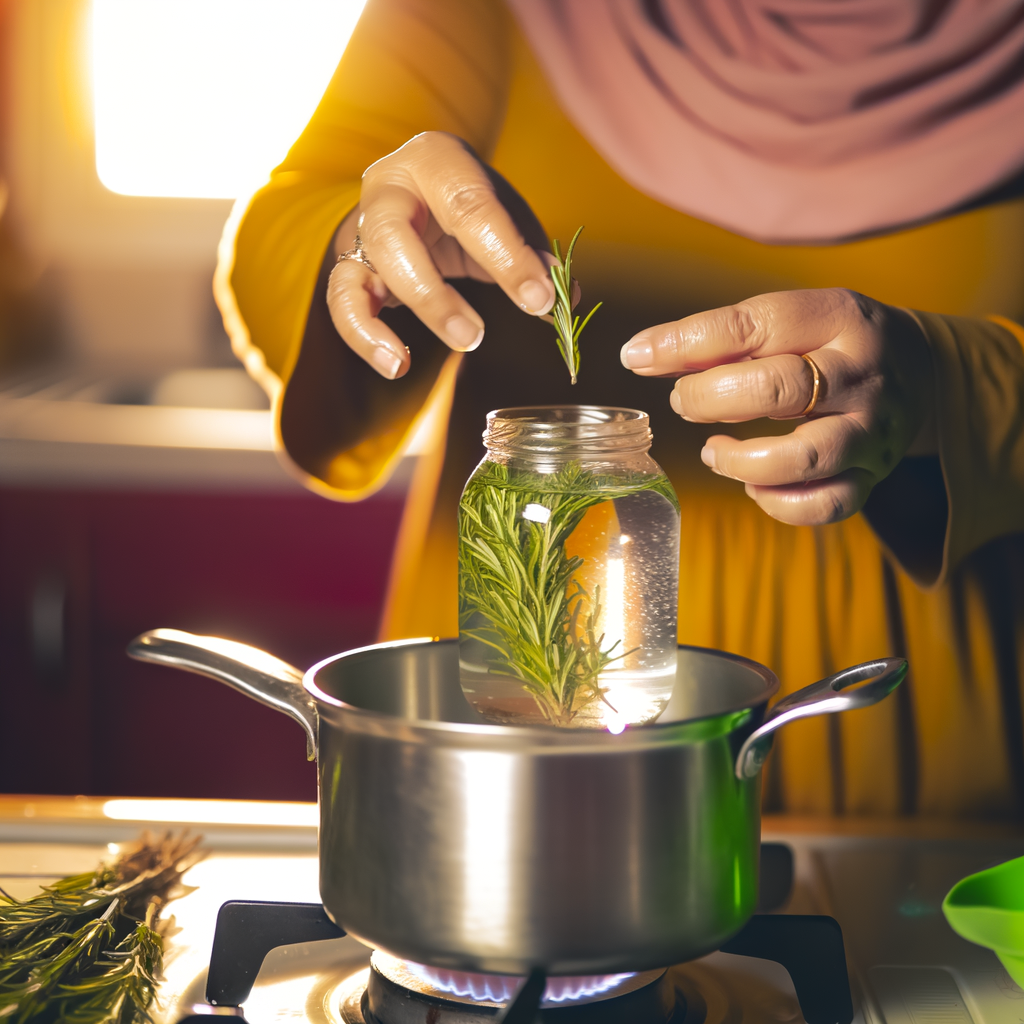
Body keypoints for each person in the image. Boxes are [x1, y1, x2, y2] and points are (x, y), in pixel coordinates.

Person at [215, 0, 1024, 818]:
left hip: (919, 723)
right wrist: (361, 238)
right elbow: (282, 227)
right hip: (516, 712)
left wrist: (948, 385)